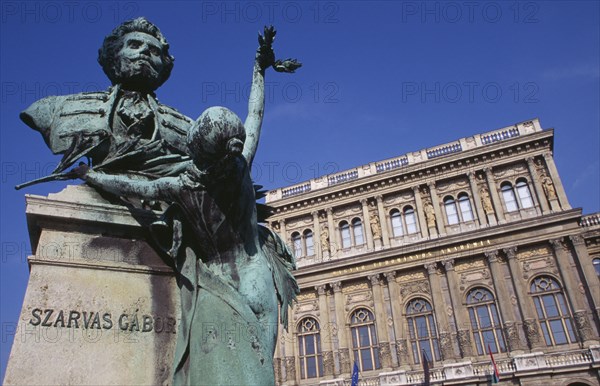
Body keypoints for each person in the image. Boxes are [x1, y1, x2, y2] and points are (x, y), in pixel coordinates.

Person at [20, 18, 192, 180]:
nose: (145, 51)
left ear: (164, 67)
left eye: (155, 51)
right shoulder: (55, 108)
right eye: (134, 45)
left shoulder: (188, 129)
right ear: (113, 56)